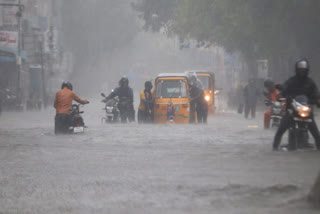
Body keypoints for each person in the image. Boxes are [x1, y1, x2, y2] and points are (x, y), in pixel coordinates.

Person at [273, 58, 320, 150]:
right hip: (292, 110)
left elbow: (316, 93)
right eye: (300, 70)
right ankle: (274, 148)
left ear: (307, 70)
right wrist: (280, 94)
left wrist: (317, 100)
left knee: (316, 134)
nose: (302, 72)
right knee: (280, 130)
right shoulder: (291, 81)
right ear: (297, 70)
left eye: (304, 70)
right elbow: (284, 89)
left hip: (306, 111)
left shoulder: (310, 82)